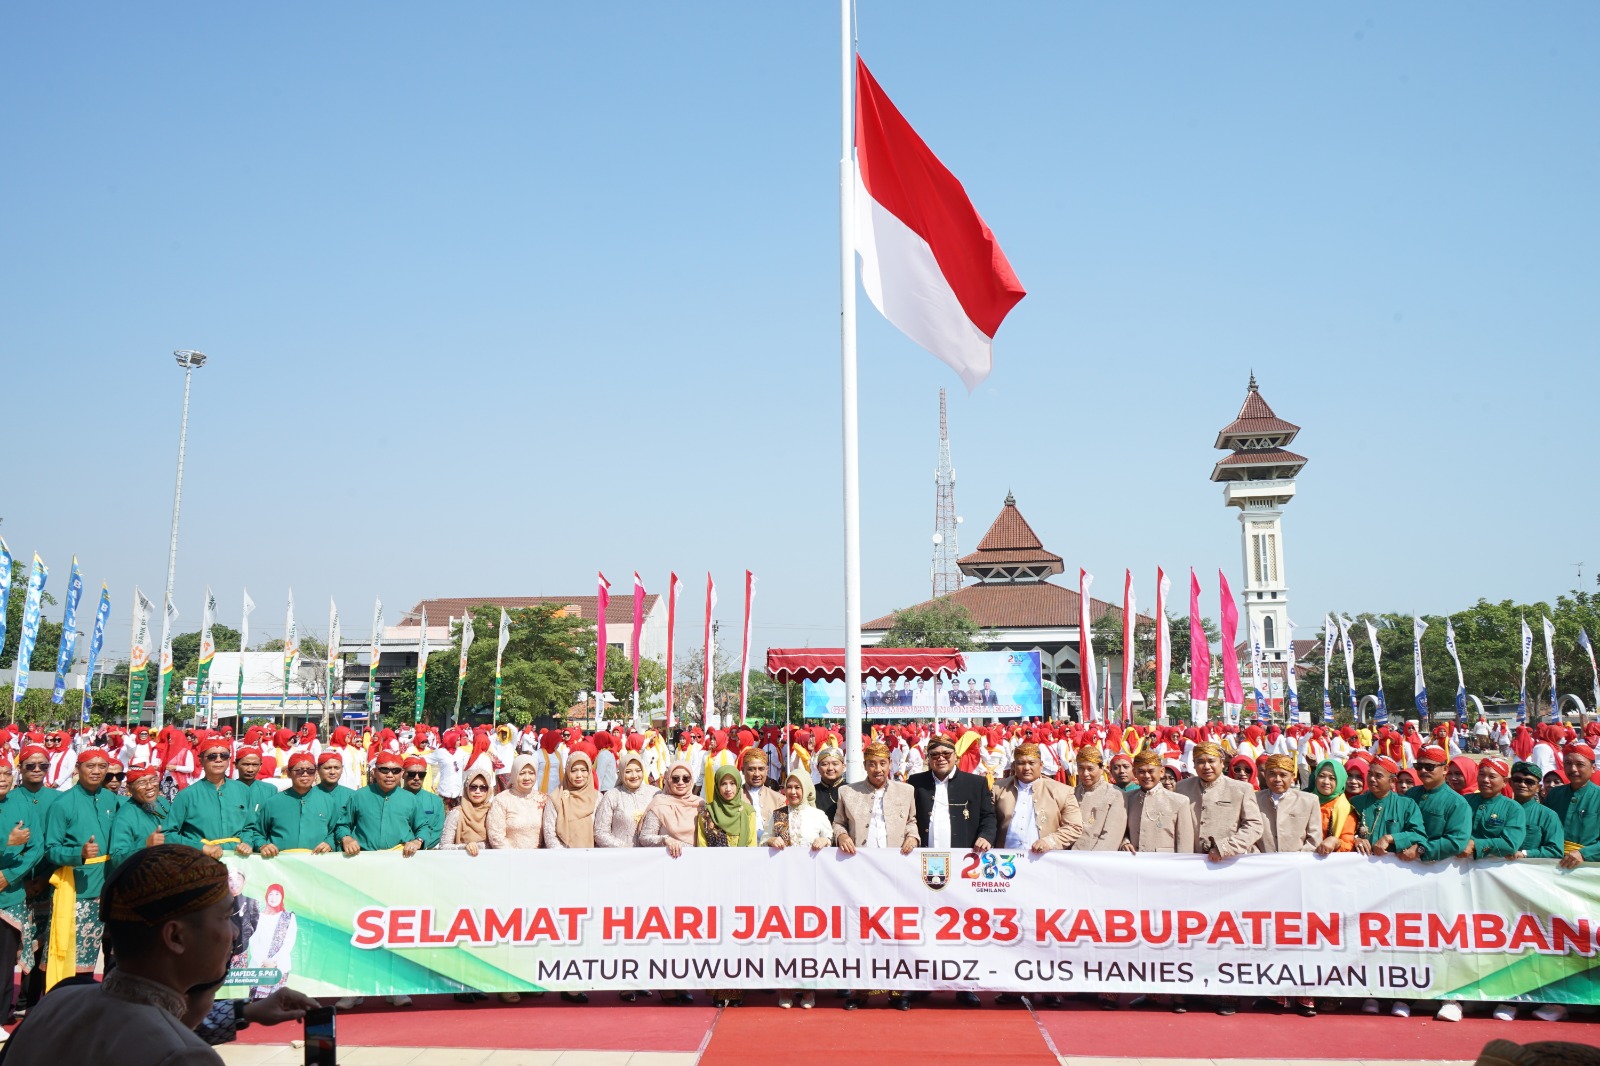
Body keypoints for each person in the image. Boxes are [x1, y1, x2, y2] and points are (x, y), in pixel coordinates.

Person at [3, 844, 236, 1065]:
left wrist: (242, 1011)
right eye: (225, 917)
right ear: (175, 936)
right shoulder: (184, 1057)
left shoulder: (56, 1002)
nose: (235, 932)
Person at [832, 743, 916, 1012]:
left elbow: (913, 821)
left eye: (882, 764)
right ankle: (861, 990)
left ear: (889, 765)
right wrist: (842, 836)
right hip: (861, 873)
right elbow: (838, 823)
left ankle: (897, 990)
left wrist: (912, 836)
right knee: (861, 930)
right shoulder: (848, 792)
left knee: (896, 930)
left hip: (896, 872)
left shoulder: (907, 791)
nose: (877, 769)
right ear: (865, 765)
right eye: (872, 764)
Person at [43, 747, 123, 980]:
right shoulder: (62, 803)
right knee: (77, 962)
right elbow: (51, 849)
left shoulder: (113, 799)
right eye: (90, 766)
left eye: (102, 766)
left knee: (115, 953)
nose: (96, 771)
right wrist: (79, 853)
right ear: (77, 769)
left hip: (111, 885)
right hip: (79, 888)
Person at [0, 759, 45, 1025]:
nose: (3, 778)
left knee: (4, 964)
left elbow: (36, 847)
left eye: (6, 773)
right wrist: (5, 841)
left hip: (9, 895)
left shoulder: (22, 805)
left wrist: (8, 875)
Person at [908, 733, 997, 863]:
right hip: (924, 856)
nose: (941, 758)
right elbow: (909, 817)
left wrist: (986, 836)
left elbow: (989, 816)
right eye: (934, 754)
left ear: (955, 756)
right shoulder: (916, 782)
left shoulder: (976, 783)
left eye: (946, 754)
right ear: (928, 758)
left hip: (963, 857)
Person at [165, 738, 259, 859]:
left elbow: (250, 827)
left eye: (224, 755)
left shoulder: (243, 790)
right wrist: (201, 847)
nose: (218, 759)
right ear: (201, 761)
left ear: (229, 760)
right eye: (212, 756)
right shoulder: (186, 795)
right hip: (201, 860)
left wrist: (247, 843)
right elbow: (167, 834)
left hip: (237, 859)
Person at [1175, 742, 1264, 862]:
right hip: (1191, 860)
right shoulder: (1181, 788)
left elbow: (1254, 826)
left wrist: (1225, 847)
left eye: (1211, 761)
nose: (1206, 766)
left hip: (1229, 860)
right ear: (1194, 765)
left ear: (1222, 763)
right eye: (1200, 762)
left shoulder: (1241, 789)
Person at [992, 743, 1083, 853]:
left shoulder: (1061, 791)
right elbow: (986, 820)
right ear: (1013, 766)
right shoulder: (998, 788)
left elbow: (1074, 827)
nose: (1026, 768)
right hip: (1006, 859)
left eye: (1032, 763)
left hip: (1044, 859)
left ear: (1041, 765)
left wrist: (1050, 841)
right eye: (1021, 763)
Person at [256, 753, 341, 856]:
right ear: (288, 773)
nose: (305, 774)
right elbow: (257, 833)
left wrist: (329, 843)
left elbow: (336, 830)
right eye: (299, 770)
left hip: (317, 863)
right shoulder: (273, 802)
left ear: (316, 773)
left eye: (310, 771)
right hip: (280, 865)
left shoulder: (328, 801)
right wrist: (263, 845)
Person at [1123, 751, 1194, 855]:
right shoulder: (1127, 798)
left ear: (1161, 772)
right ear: (1135, 773)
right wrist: (1125, 842)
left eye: (1151, 771)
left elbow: (1185, 844)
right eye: (1141, 771)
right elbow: (1120, 830)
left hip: (1165, 864)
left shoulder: (1179, 801)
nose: (1146, 776)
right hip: (1134, 861)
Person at [1254, 754, 1320, 853]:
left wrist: (1297, 862)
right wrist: (1258, 858)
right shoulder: (1253, 799)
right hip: (1261, 863)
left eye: (1283, 775)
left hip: (1298, 864)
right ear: (1266, 775)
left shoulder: (1309, 801)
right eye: (1272, 774)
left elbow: (1314, 838)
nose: (1277, 779)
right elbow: (1248, 833)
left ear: (1292, 777)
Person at [594, 750, 658, 849]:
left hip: (652, 858)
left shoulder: (655, 794)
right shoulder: (612, 795)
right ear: (621, 773)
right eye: (628, 772)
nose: (634, 776)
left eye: (638, 770)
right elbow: (600, 832)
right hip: (621, 858)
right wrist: (624, 848)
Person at [1464, 757, 1525, 861]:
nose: (1485, 780)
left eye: (1492, 776)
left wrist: (1475, 845)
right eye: (1482, 775)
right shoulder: (1463, 802)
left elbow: (1510, 844)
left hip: (1492, 869)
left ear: (1504, 782)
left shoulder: (1513, 808)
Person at [109, 767, 170, 870]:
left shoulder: (162, 802)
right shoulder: (124, 817)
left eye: (153, 780)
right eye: (142, 783)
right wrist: (145, 845)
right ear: (128, 788)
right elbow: (116, 858)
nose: (150, 786)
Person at [245, 883, 295, 1000]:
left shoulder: (288, 917)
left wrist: (274, 962)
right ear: (266, 896)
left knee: (276, 1003)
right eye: (271, 894)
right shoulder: (257, 916)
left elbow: (289, 942)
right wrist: (263, 961)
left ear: (282, 897)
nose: (273, 897)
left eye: (277, 894)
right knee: (257, 1003)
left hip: (280, 966)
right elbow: (253, 941)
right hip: (259, 965)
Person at [544, 749, 600, 853]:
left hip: (592, 859)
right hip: (563, 858)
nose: (579, 775)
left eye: (583, 770)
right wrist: (567, 856)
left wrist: (593, 855)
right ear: (567, 771)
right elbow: (549, 833)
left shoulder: (598, 798)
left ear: (589, 772)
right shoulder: (555, 798)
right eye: (573, 770)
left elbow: (601, 831)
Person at [488, 753, 548, 850]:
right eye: (522, 773)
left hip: (538, 859)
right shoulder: (502, 799)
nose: (527, 778)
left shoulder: (543, 799)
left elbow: (550, 833)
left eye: (531, 773)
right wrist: (516, 858)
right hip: (510, 859)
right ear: (515, 773)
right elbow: (496, 836)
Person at [1071, 749, 1128, 851]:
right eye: (1081, 768)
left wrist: (1094, 860)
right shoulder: (1072, 793)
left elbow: (1111, 836)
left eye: (1090, 769)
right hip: (1069, 857)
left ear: (1101, 768)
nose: (1085, 773)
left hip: (1096, 858)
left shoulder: (1115, 794)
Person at [1509, 761, 1565, 859]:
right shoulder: (1499, 809)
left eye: (1529, 782)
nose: (1522, 784)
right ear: (1510, 782)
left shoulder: (1548, 815)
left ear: (1538, 788)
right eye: (1517, 780)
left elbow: (1555, 850)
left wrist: (1525, 854)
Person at [441, 760, 495, 855]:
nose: (477, 791)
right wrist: (465, 847)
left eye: (483, 788)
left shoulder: (493, 812)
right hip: (463, 864)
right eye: (473, 787)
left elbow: (497, 844)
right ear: (466, 788)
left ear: (488, 790)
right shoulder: (457, 813)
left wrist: (479, 846)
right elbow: (444, 846)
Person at [1310, 759, 1357, 855]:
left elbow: (1349, 844)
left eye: (1332, 778)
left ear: (1340, 781)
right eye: (1322, 776)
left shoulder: (1345, 810)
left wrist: (1336, 842)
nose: (1326, 782)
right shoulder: (1305, 801)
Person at [400, 756, 446, 850]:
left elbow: (437, 830)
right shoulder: (394, 799)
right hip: (399, 851)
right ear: (403, 774)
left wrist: (420, 845)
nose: (417, 778)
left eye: (421, 774)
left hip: (425, 852)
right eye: (412, 774)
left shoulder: (435, 801)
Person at [738, 748, 785, 825]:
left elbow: (781, 830)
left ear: (767, 770)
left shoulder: (778, 799)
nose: (757, 774)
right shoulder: (735, 798)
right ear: (743, 770)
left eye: (761, 769)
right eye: (751, 769)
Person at [812, 746, 846, 823]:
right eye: (824, 764)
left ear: (843, 767)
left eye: (835, 764)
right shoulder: (811, 792)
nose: (830, 768)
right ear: (818, 768)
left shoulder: (851, 790)